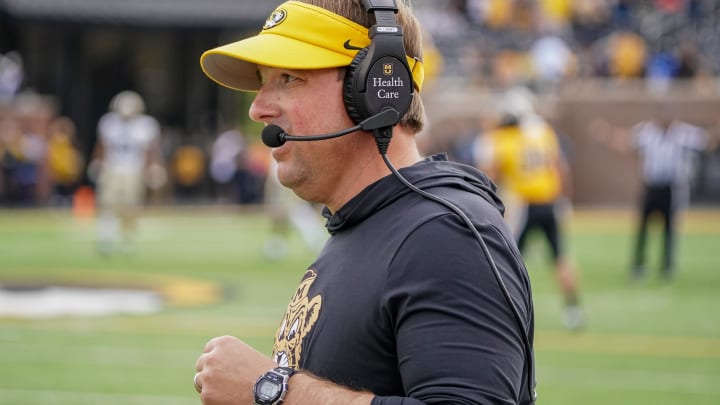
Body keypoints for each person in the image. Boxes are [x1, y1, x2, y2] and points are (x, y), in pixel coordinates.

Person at [194, 1, 536, 404]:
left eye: (288, 79)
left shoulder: (444, 237)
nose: (258, 108)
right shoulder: (369, 225)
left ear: (376, 87)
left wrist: (273, 390)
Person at [475, 86, 584, 331]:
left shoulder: (504, 139)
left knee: (507, 261)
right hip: (550, 201)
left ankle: (505, 311)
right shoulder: (545, 133)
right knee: (561, 258)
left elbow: (490, 175)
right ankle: (573, 311)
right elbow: (560, 167)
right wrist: (564, 196)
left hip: (523, 206)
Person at [590, 102, 713, 281]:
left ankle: (667, 266)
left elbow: (705, 141)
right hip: (651, 186)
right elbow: (627, 141)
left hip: (671, 187)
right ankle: (638, 265)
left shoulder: (682, 133)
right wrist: (606, 133)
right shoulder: (648, 132)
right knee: (643, 227)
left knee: (669, 228)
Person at [90, 90, 163, 255]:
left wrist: (153, 167)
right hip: (112, 168)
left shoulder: (146, 125)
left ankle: (128, 240)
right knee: (107, 204)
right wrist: (97, 162)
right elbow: (101, 146)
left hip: (134, 170)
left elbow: (152, 150)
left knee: (131, 208)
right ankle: (106, 239)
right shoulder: (109, 123)